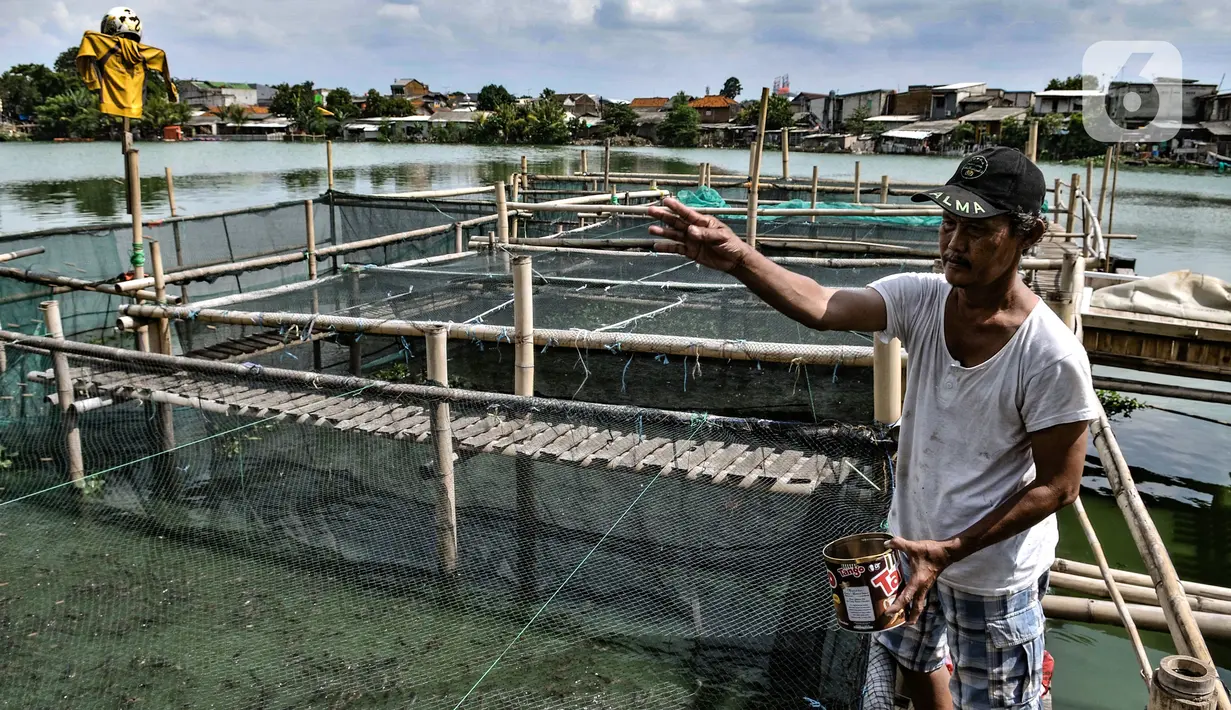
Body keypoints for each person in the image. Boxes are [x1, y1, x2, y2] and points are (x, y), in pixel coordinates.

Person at [647, 146, 1098, 710]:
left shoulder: (1049, 354)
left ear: (1026, 237)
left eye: (978, 229)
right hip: (911, 544)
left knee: (999, 701)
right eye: (948, 222)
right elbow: (821, 303)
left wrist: (950, 550)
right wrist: (740, 257)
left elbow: (1060, 485)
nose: (955, 243)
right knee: (914, 663)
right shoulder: (924, 298)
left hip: (991, 569)